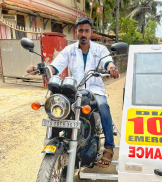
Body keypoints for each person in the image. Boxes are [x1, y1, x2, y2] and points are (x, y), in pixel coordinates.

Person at [26, 17, 119, 168]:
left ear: (91, 32)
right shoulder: (69, 50)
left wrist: (111, 68)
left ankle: (109, 147)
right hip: (76, 90)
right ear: (77, 32)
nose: (83, 33)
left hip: (95, 90)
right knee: (60, 106)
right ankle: (55, 142)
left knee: (103, 106)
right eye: (80, 30)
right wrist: (40, 69)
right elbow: (55, 66)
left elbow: (108, 61)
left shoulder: (100, 49)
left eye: (86, 31)